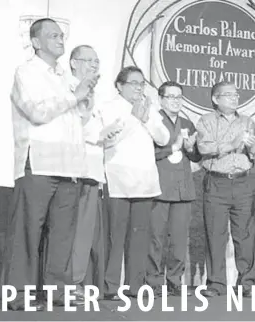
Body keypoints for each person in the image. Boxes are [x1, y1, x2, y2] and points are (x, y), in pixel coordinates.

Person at [3, 18, 96, 310]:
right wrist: (73, 97)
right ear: (35, 41)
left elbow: (80, 120)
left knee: (63, 235)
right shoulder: (26, 72)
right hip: (39, 165)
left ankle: (58, 293)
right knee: (27, 233)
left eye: (61, 35)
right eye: (52, 35)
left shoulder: (65, 78)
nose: (59, 39)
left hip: (69, 168)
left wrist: (84, 101)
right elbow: (37, 112)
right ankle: (18, 296)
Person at [100, 66, 170, 300]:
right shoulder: (109, 108)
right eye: (133, 83)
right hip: (118, 179)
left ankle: (135, 285)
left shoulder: (150, 109)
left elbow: (163, 138)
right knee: (115, 236)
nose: (139, 88)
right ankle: (110, 286)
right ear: (119, 86)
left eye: (142, 84)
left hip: (144, 180)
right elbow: (109, 140)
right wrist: (134, 118)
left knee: (140, 236)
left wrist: (146, 117)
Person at [195, 81, 255, 298]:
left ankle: (246, 283)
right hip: (216, 182)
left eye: (236, 94)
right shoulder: (207, 120)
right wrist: (233, 143)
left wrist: (252, 146)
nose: (234, 98)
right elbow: (204, 147)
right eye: (228, 94)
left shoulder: (248, 120)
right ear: (215, 99)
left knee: (245, 235)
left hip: (243, 181)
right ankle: (216, 283)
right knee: (215, 234)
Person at [145, 81, 201, 296]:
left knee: (179, 239)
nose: (176, 101)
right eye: (171, 97)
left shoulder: (188, 123)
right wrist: (172, 148)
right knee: (156, 238)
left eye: (179, 97)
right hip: (159, 186)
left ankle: (175, 280)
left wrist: (190, 148)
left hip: (183, 187)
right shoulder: (153, 120)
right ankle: (153, 281)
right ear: (160, 99)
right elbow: (148, 152)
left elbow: (196, 156)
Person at [69, 45, 111, 297]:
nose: (94, 65)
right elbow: (74, 127)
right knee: (73, 233)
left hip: (93, 172)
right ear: (73, 63)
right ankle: (70, 283)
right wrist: (99, 134)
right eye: (88, 60)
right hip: (73, 170)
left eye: (96, 61)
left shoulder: (97, 95)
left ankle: (77, 282)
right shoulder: (68, 89)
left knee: (85, 233)